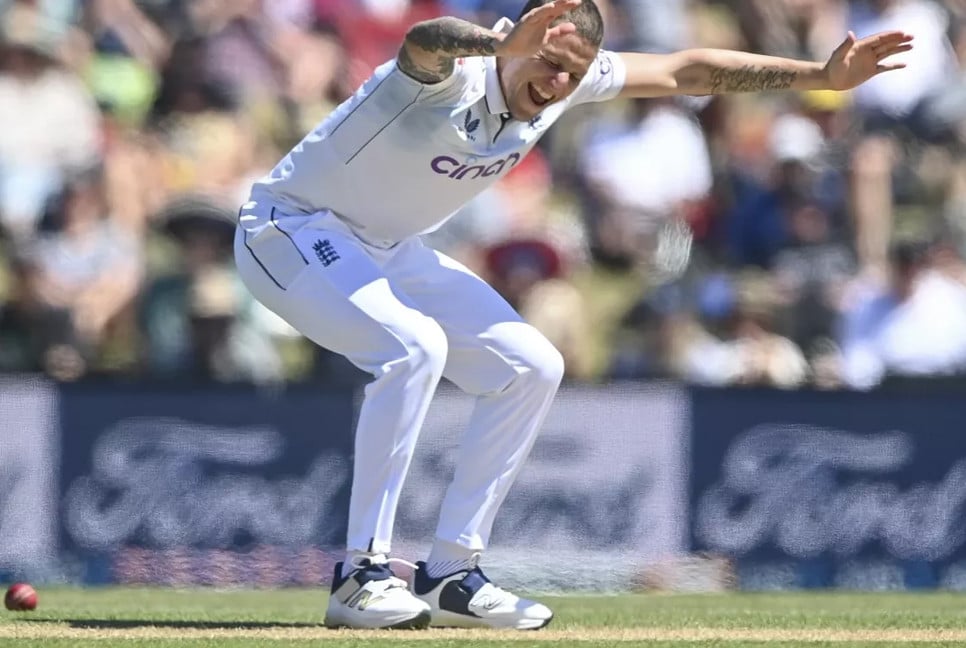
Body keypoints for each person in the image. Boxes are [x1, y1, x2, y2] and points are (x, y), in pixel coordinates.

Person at [233, 0, 912, 630]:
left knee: (532, 366)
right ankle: (360, 577)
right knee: (413, 350)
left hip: (388, 248)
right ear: (515, 40)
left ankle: (451, 572)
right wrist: (491, 41)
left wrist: (819, 73)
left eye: (574, 72)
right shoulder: (454, 74)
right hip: (290, 226)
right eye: (548, 63)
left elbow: (687, 69)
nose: (558, 83)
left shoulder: (573, 79)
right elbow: (422, 44)